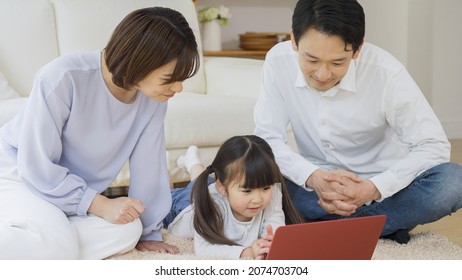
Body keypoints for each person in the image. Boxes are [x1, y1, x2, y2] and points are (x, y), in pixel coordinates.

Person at [253, 0, 462, 244]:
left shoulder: (387, 73)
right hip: (311, 191)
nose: (322, 74)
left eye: (338, 63)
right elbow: (267, 138)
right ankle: (375, 227)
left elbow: (432, 146)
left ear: (358, 49)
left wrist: (373, 188)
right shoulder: (278, 61)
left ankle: (326, 227)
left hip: (382, 193)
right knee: (242, 173)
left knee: (452, 183)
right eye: (311, 59)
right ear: (294, 41)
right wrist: (313, 177)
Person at [0, 7, 200, 259]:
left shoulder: (152, 100)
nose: (179, 87)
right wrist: (98, 203)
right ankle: (51, 239)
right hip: (22, 179)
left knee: (128, 229)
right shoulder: (63, 77)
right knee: (57, 243)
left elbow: (150, 165)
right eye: (170, 78)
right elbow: (37, 166)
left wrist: (149, 232)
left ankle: (46, 238)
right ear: (140, 62)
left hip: (72, 194)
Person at [164, 136, 304, 259]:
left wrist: (270, 241)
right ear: (222, 188)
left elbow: (275, 225)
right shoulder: (212, 204)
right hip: (182, 206)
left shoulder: (271, 191)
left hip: (220, 191)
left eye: (265, 188)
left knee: (204, 182)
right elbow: (204, 249)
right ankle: (168, 162)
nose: (258, 199)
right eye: (248, 190)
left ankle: (192, 162)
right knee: (164, 190)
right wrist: (247, 252)